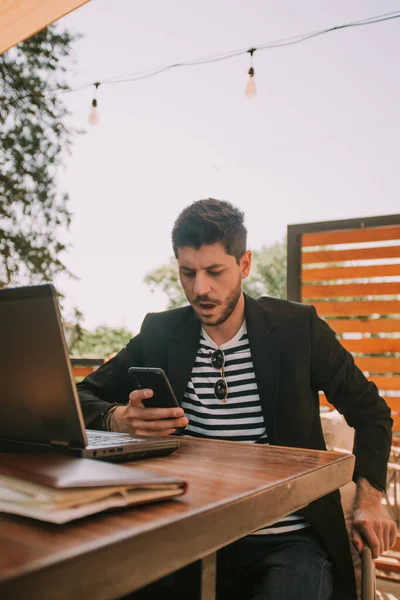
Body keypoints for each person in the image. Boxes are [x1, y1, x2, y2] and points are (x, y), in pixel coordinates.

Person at [77, 198, 396, 600]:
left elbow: (372, 413)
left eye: (214, 271)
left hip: (289, 540)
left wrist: (369, 497)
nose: (200, 289)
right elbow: (79, 393)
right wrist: (115, 418)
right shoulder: (160, 333)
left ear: (244, 265)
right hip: (186, 534)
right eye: (187, 273)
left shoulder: (299, 330)